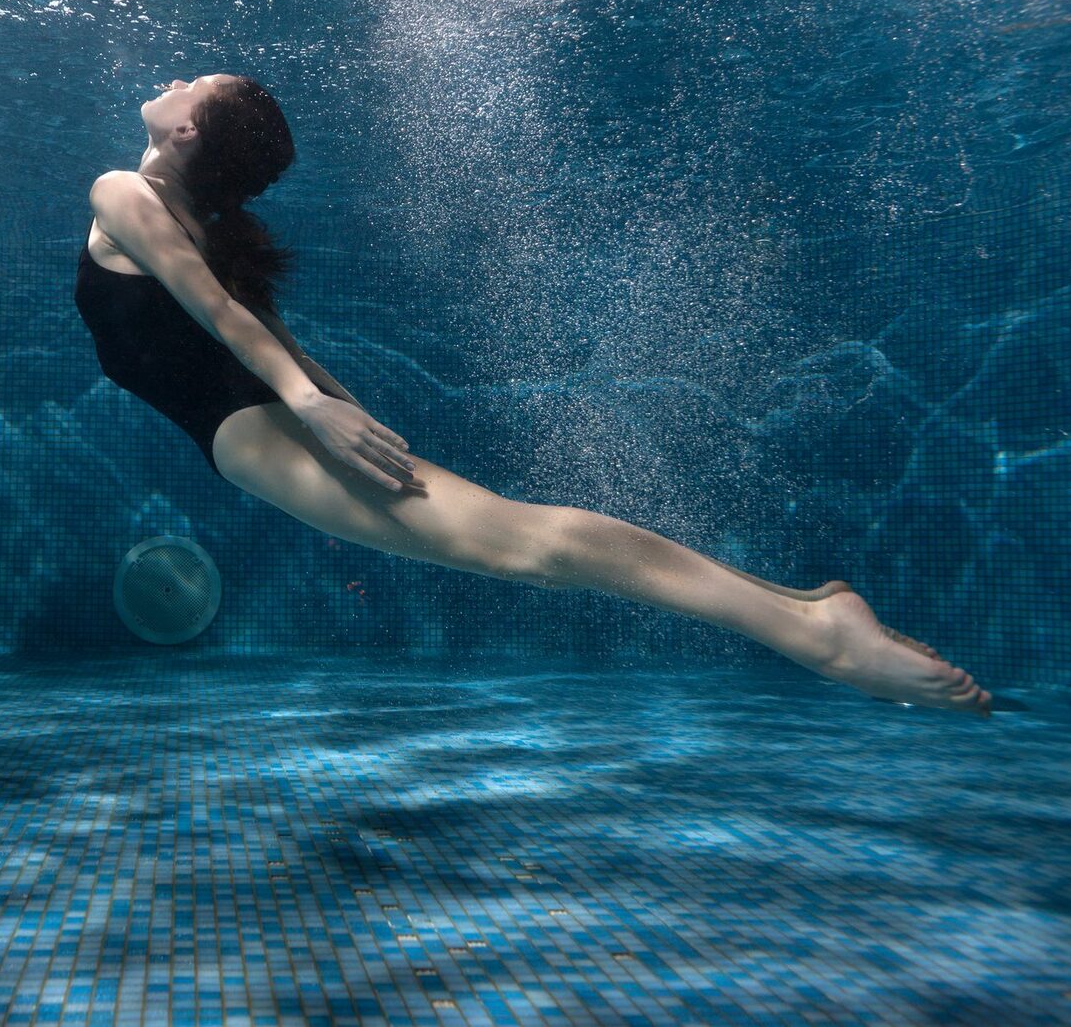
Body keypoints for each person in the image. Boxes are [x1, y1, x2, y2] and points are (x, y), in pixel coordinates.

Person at [74, 72, 992, 718]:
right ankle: (801, 611)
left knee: (520, 544)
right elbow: (258, 330)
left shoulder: (123, 191)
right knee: (515, 536)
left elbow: (230, 323)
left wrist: (316, 404)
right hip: (271, 412)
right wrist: (326, 398)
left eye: (197, 82)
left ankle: (817, 635)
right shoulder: (185, 217)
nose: (179, 80)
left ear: (189, 131)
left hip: (250, 428)